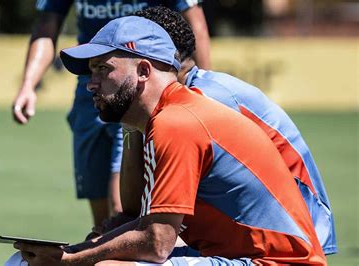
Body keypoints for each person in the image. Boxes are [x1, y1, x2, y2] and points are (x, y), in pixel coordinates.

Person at [7, 16, 326, 265]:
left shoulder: (178, 121)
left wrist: (72, 259)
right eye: (91, 73)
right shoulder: (158, 119)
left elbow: (158, 242)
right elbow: (134, 216)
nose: (91, 85)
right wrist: (77, 252)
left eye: (103, 70)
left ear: (144, 70)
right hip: (240, 257)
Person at [113, 6, 336, 255]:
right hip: (262, 228)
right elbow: (134, 206)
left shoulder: (205, 100)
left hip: (292, 229)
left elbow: (147, 216)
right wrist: (131, 124)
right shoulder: (166, 103)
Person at [11, 0, 212, 228]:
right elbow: (47, 25)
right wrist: (28, 84)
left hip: (136, 90)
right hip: (91, 92)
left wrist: (200, 88)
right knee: (102, 222)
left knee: (121, 210)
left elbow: (196, 25)